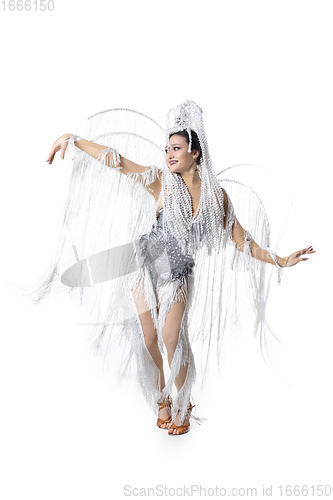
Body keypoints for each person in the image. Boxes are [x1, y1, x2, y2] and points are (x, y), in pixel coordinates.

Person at [40, 101, 315, 435]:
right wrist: (74, 139)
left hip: (180, 273)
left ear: (195, 153)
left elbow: (244, 241)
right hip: (145, 267)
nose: (169, 154)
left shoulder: (218, 198)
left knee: (172, 335)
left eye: (176, 148)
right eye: (166, 148)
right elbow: (118, 161)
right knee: (149, 337)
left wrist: (282, 259)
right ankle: (161, 400)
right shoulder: (159, 181)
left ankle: (183, 405)